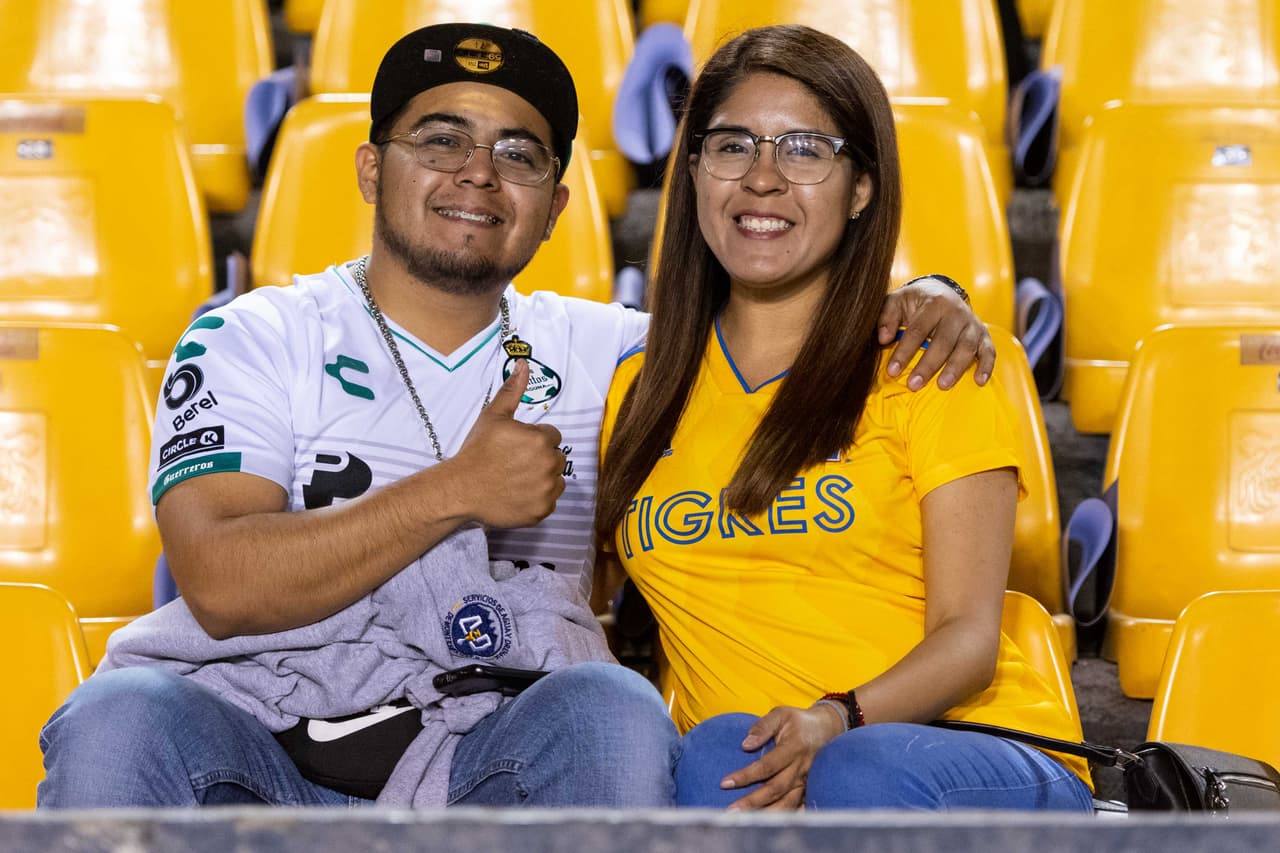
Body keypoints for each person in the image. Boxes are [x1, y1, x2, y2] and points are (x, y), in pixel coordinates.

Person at [38, 23, 991, 809]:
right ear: (372, 170)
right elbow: (220, 582)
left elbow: (783, 319)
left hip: (491, 759)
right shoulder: (252, 335)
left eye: (518, 154)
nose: (477, 174)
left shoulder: (625, 356)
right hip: (261, 753)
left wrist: (928, 293)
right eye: (440, 138)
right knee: (117, 711)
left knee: (611, 707)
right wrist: (454, 494)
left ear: (555, 206)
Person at [596, 25, 1094, 812]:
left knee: (856, 771)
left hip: (963, 749)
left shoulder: (932, 360)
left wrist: (835, 720)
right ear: (693, 172)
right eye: (731, 146)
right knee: (717, 754)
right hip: (758, 761)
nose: (762, 178)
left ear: (861, 186)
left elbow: (967, 640)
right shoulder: (634, 386)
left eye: (804, 150)